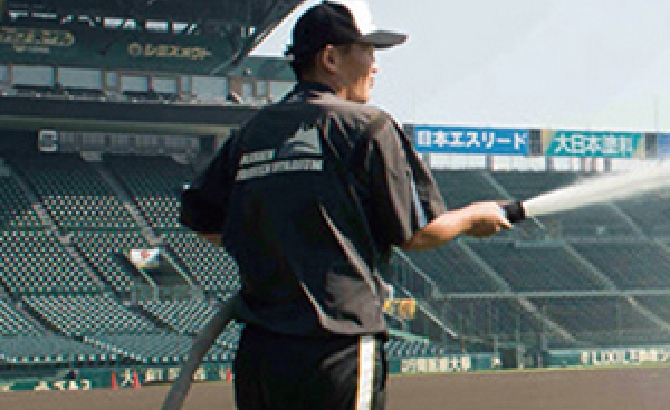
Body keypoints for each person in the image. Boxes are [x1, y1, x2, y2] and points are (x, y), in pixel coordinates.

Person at [179, 1, 511, 409]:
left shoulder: (252, 132)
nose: (376, 67)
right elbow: (417, 232)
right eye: (368, 51)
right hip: (337, 348)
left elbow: (202, 218)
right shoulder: (367, 126)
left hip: (261, 356)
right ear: (331, 59)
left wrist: (275, 251)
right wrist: (473, 217)